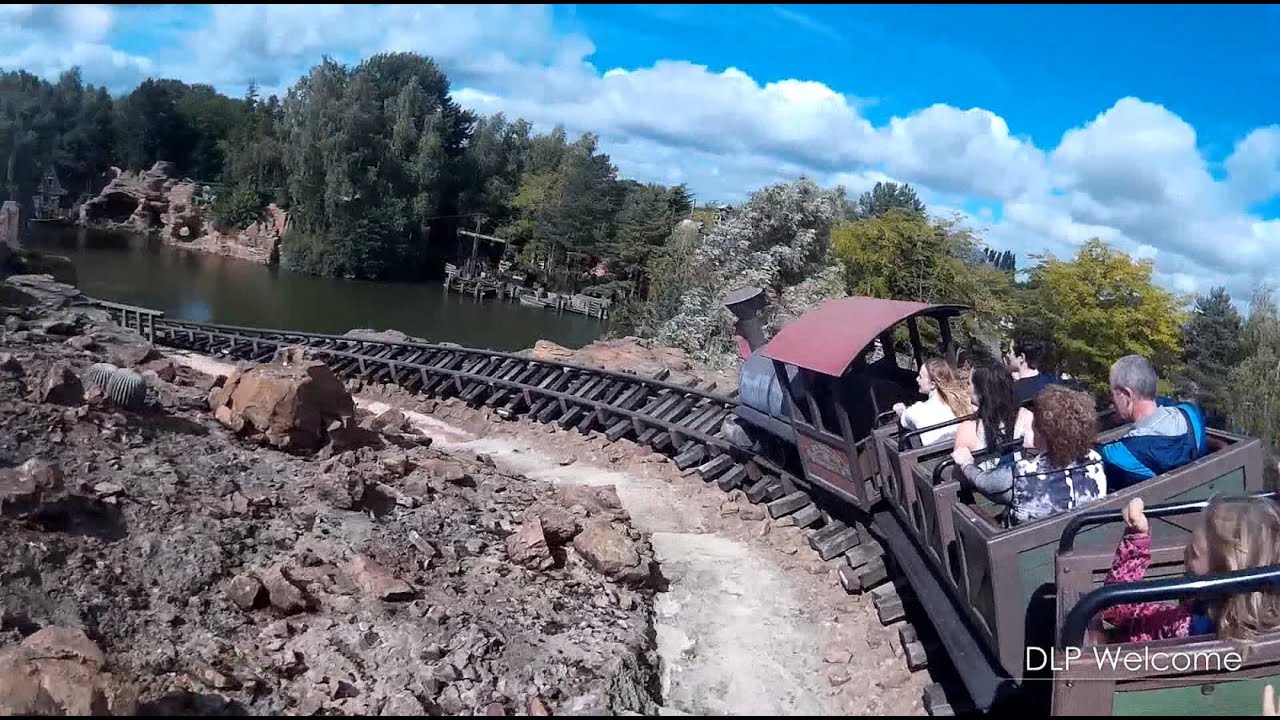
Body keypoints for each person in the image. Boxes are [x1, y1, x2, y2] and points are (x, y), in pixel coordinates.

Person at [1101, 495, 1280, 643]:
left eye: (1194, 552)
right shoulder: (1264, 630)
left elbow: (1116, 608)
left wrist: (1136, 535)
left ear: (1223, 571)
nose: (1185, 551)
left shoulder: (1183, 626)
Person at [954, 385, 1106, 524]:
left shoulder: (1021, 474)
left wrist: (966, 463)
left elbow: (983, 482)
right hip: (1088, 546)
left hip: (1030, 550)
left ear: (1041, 431)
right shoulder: (1094, 458)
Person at [1098, 355, 1208, 491]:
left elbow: (1094, 451)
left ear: (1127, 394)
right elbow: (1164, 403)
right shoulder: (1192, 415)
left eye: (1113, 394)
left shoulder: (1121, 453)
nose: (1111, 401)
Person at [949, 364, 1035, 505]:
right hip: (1026, 490)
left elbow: (959, 478)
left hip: (986, 500)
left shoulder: (969, 428)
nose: (967, 388)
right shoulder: (1027, 417)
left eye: (969, 384)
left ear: (981, 392)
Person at [892, 358, 973, 446]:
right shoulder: (963, 403)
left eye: (920, 377)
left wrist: (901, 410)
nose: (917, 379)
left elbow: (905, 421)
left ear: (932, 385)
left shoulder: (916, 411)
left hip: (930, 458)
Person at [1004, 337, 1059, 405]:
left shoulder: (1012, 392)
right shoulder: (1054, 382)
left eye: (1010, 352)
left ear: (1021, 357)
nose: (1007, 355)